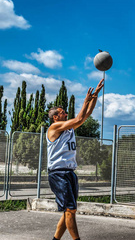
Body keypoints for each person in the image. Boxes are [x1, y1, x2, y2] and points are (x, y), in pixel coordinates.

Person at [47, 79, 104, 240]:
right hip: (58, 174)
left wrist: (94, 97)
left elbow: (85, 116)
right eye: (62, 112)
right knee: (70, 210)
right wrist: (85, 100)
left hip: (69, 173)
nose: (65, 113)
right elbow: (79, 119)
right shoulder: (54, 128)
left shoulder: (68, 127)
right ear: (56, 117)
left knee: (69, 211)